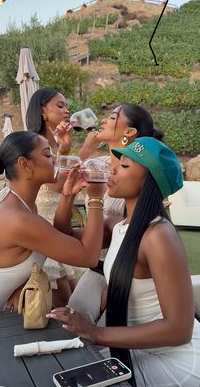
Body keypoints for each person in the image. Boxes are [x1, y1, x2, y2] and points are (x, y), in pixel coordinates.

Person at [47, 137, 200, 387]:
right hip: (136, 349)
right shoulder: (118, 225)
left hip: (175, 360)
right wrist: (67, 195)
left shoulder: (159, 236)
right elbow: (64, 234)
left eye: (125, 166)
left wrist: (95, 332)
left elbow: (180, 330)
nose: (113, 168)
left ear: (149, 181)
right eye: (116, 162)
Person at [0, 131, 104, 319]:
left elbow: (56, 238)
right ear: (25, 163)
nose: (54, 160)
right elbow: (88, 257)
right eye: (47, 154)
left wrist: (67, 194)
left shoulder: (17, 200)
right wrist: (95, 197)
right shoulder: (17, 219)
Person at [69, 103, 164, 323]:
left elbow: (146, 240)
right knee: (73, 315)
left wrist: (115, 287)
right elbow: (67, 178)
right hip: (97, 263)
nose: (103, 120)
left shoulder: (140, 178)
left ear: (129, 132)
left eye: (112, 118)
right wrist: (87, 145)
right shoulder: (99, 164)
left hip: (127, 272)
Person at [26, 87, 78, 306]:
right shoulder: (34, 144)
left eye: (66, 106)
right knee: (62, 300)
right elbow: (57, 186)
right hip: (44, 224)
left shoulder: (56, 144)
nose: (66, 111)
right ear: (43, 111)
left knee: (73, 298)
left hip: (60, 222)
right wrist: (65, 153)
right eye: (60, 105)